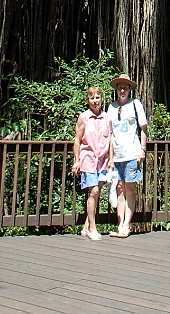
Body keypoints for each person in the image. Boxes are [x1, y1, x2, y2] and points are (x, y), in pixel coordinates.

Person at [107, 73, 147, 238]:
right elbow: (109, 133)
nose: (122, 90)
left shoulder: (135, 104)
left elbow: (143, 128)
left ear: (130, 89)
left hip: (131, 153)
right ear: (116, 90)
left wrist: (142, 149)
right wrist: (110, 157)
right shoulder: (111, 107)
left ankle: (126, 224)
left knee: (129, 188)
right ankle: (120, 223)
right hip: (117, 156)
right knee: (119, 188)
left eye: (125, 87)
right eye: (119, 88)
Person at [72, 86, 112, 240]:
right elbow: (77, 140)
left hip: (102, 160)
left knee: (97, 192)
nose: (95, 101)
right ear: (88, 100)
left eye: (97, 97)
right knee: (94, 191)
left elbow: (111, 139)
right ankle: (92, 229)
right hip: (88, 158)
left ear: (102, 99)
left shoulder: (107, 118)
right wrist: (76, 161)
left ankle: (86, 224)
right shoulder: (83, 117)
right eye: (92, 98)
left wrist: (111, 159)